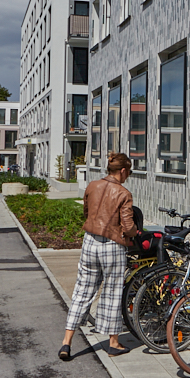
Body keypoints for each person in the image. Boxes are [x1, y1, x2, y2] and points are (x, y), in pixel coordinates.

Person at [59, 152, 137, 360]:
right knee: (112, 294)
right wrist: (135, 233)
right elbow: (128, 226)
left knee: (82, 290)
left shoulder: (92, 186)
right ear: (123, 171)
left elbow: (86, 212)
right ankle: (113, 343)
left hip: (89, 242)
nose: (128, 175)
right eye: (128, 172)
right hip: (112, 245)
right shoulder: (123, 193)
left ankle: (66, 342)